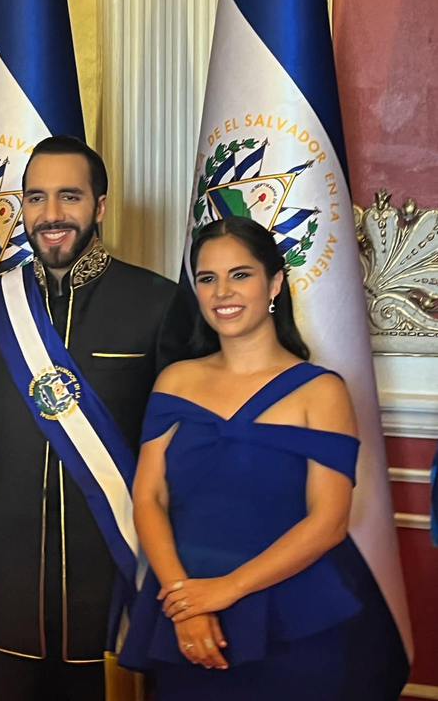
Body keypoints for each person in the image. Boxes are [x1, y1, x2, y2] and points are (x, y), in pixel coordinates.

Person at [118, 216, 408, 700]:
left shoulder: (322, 390)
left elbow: (329, 521)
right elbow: (147, 497)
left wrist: (226, 589)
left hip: (294, 615)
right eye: (207, 278)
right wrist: (187, 604)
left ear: (274, 282)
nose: (222, 292)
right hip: (187, 613)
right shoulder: (175, 381)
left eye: (241, 274)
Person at [0, 136, 193, 701]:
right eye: (36, 197)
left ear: (100, 206)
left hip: (116, 570)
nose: (51, 214)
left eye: (69, 196)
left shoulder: (158, 302)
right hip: (10, 574)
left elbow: (182, 450)